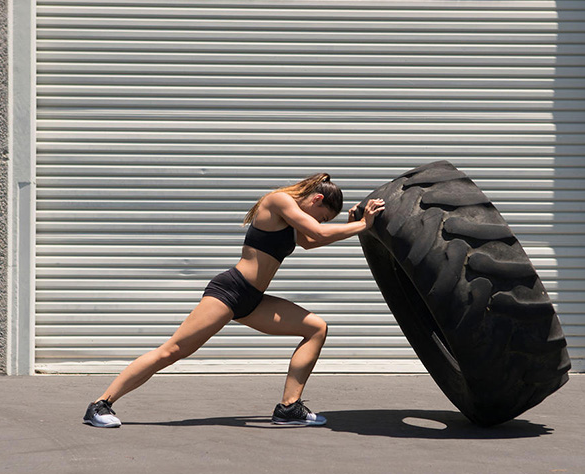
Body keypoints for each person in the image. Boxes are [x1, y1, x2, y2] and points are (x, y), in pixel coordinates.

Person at [83, 173, 385, 428]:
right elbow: (317, 232)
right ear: (316, 200)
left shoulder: (295, 221)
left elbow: (311, 241)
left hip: (253, 299)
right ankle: (100, 405)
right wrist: (364, 224)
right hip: (230, 291)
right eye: (322, 214)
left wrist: (354, 224)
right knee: (173, 350)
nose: (318, 220)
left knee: (316, 328)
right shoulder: (278, 200)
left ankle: (289, 407)